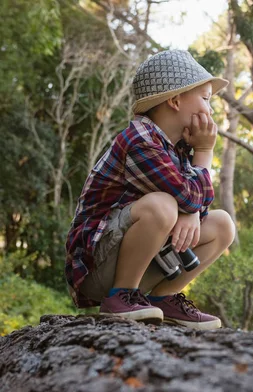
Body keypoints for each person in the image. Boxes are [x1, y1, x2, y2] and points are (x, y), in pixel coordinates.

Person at [64, 49, 236, 330]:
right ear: (175, 100)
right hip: (97, 266)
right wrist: (204, 150)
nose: (211, 109)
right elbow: (188, 197)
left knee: (222, 225)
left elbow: (196, 202)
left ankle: (163, 297)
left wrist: (192, 212)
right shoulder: (141, 140)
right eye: (205, 99)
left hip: (139, 258)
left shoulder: (179, 147)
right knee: (163, 206)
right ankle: (121, 296)